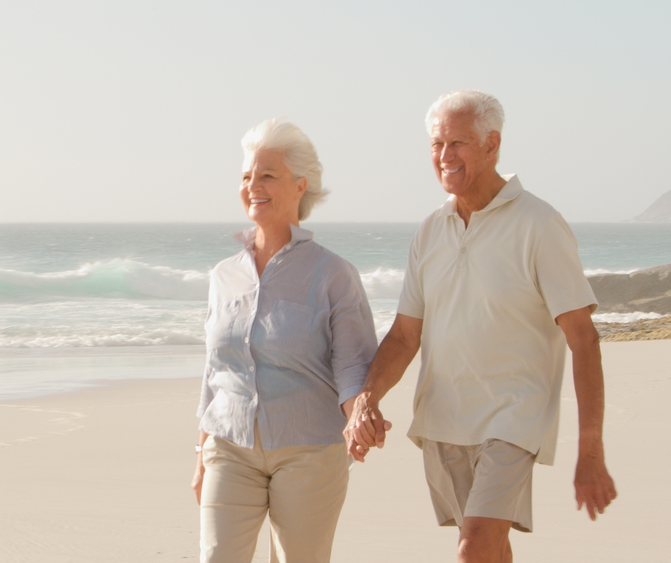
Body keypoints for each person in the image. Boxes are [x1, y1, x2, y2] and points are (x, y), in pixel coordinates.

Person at [343, 90, 617, 563]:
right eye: (436, 144)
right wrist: (366, 400)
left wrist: (590, 447)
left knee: (473, 547)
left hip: (514, 417)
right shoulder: (429, 230)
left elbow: (583, 338)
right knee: (489, 547)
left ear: (492, 145)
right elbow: (407, 334)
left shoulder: (540, 224)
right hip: (444, 416)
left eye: (458, 143)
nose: (444, 156)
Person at [192, 117, 377, 563]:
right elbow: (216, 370)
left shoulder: (333, 274)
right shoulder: (223, 275)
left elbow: (353, 365)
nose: (253, 185)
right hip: (229, 446)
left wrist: (359, 417)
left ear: (300, 186)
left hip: (309, 451)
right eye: (246, 176)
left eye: (267, 175)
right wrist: (201, 451)